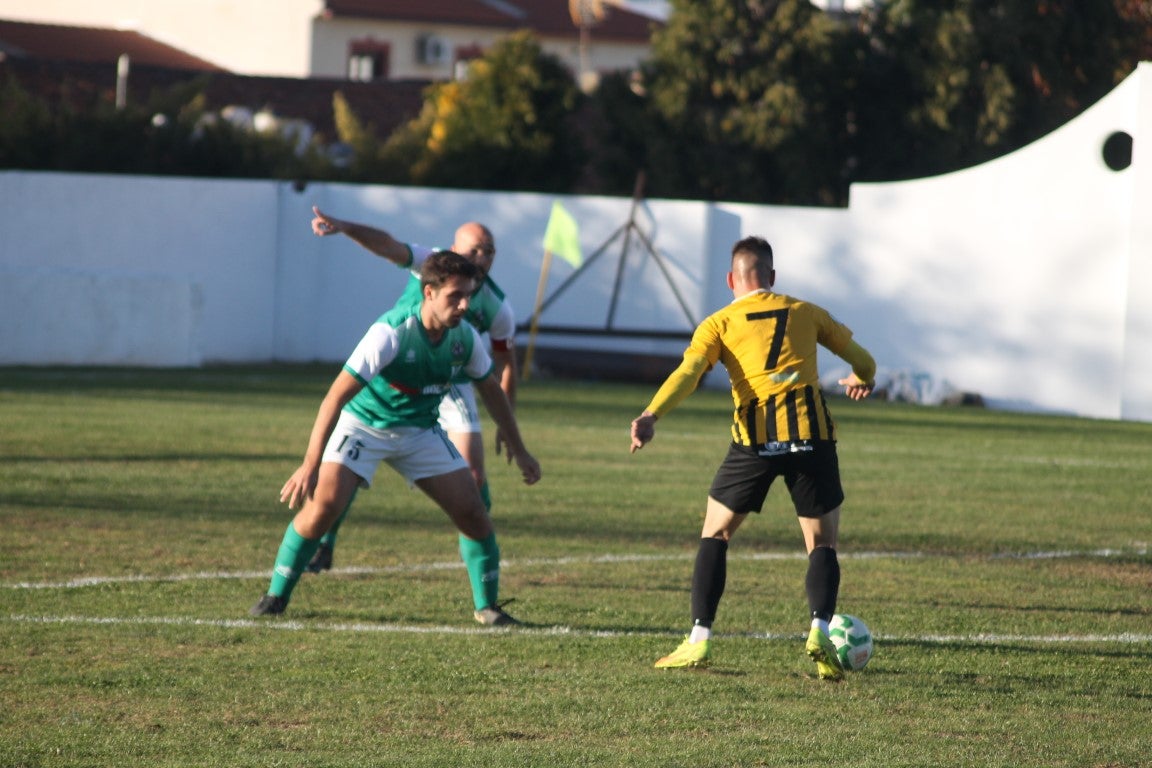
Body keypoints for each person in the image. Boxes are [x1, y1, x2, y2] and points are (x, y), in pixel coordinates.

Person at [629, 236, 876, 680]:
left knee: (716, 534)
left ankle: (699, 641)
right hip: (811, 436)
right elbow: (864, 361)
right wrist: (861, 377)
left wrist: (652, 413)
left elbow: (689, 373)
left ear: (731, 280)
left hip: (754, 443)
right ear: (773, 277)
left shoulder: (718, 323)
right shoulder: (806, 311)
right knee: (821, 545)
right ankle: (819, 630)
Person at [250, 250, 541, 626]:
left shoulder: (464, 339)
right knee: (323, 507)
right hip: (364, 426)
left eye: (469, 295)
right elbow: (334, 398)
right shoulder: (390, 332)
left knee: (473, 512)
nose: (466, 305)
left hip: (420, 432)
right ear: (429, 293)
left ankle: (487, 608)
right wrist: (310, 464)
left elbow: (492, 392)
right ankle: (276, 595)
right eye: (456, 296)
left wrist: (520, 449)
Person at [306, 205, 518, 573]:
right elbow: (387, 245)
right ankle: (325, 542)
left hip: (447, 378)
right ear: (453, 248)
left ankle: (479, 547)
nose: (481, 258)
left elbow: (506, 363)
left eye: (489, 251)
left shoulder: (498, 306)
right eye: (473, 250)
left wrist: (508, 422)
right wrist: (344, 227)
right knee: (351, 465)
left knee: (474, 474)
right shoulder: (432, 263)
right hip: (398, 372)